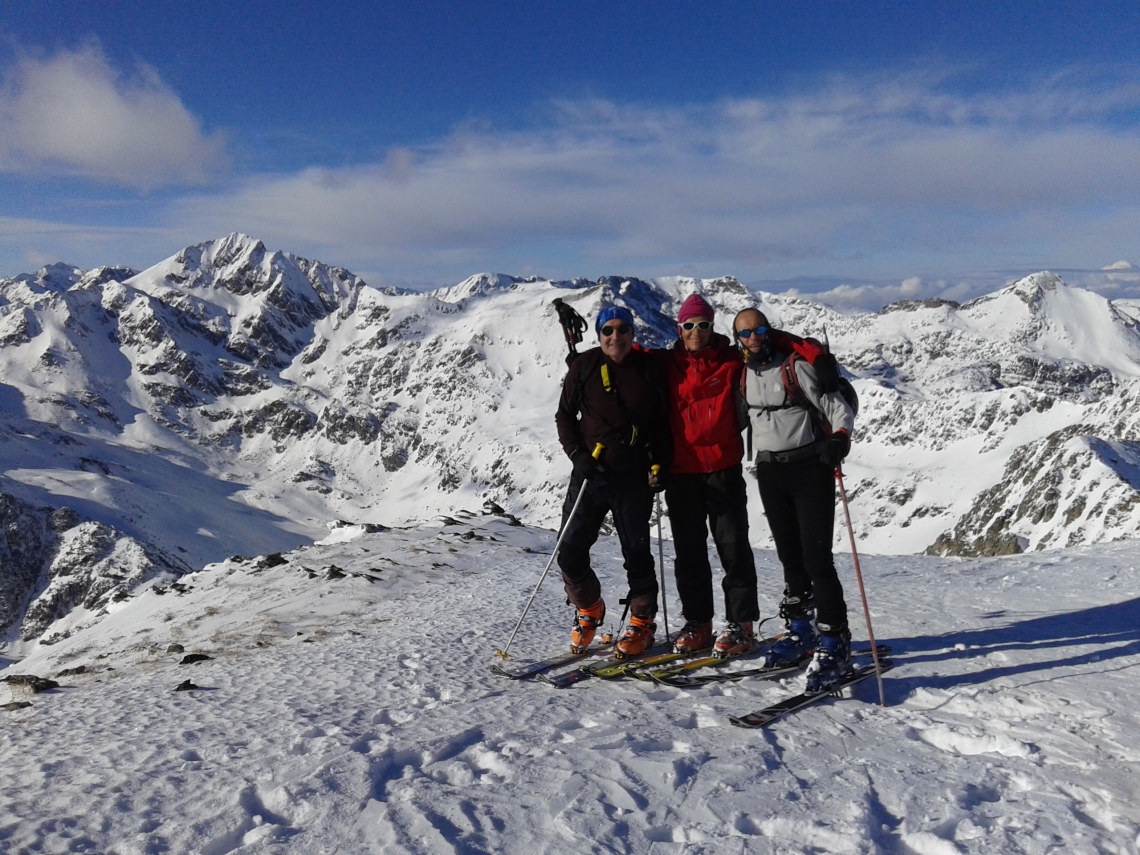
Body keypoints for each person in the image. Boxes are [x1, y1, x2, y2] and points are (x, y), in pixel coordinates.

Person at [733, 307, 856, 691]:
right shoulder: (742, 375)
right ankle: (801, 629)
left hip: (809, 468)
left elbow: (837, 406)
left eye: (759, 329)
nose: (753, 337)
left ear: (769, 331)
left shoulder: (794, 367)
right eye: (745, 333)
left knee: (817, 559)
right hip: (770, 472)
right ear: (738, 339)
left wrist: (839, 437)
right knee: (790, 556)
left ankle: (835, 640)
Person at [554, 304, 672, 658]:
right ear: (599, 334)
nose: (615, 336)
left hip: (633, 475)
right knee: (570, 550)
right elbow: (564, 417)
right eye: (608, 330)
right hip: (590, 474)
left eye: (623, 329)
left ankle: (642, 621)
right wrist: (577, 456)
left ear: (633, 334)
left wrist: (659, 464)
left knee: (636, 552)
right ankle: (589, 608)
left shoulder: (648, 369)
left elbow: (663, 423)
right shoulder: (584, 368)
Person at [660, 294, 760, 658]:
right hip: (682, 473)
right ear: (679, 328)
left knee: (733, 548)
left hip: (723, 468)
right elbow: (626, 358)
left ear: (712, 326)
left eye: (703, 324)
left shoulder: (734, 360)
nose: (696, 331)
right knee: (689, 552)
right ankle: (698, 622)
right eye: (689, 325)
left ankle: (741, 623)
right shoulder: (666, 363)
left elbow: (770, 344)